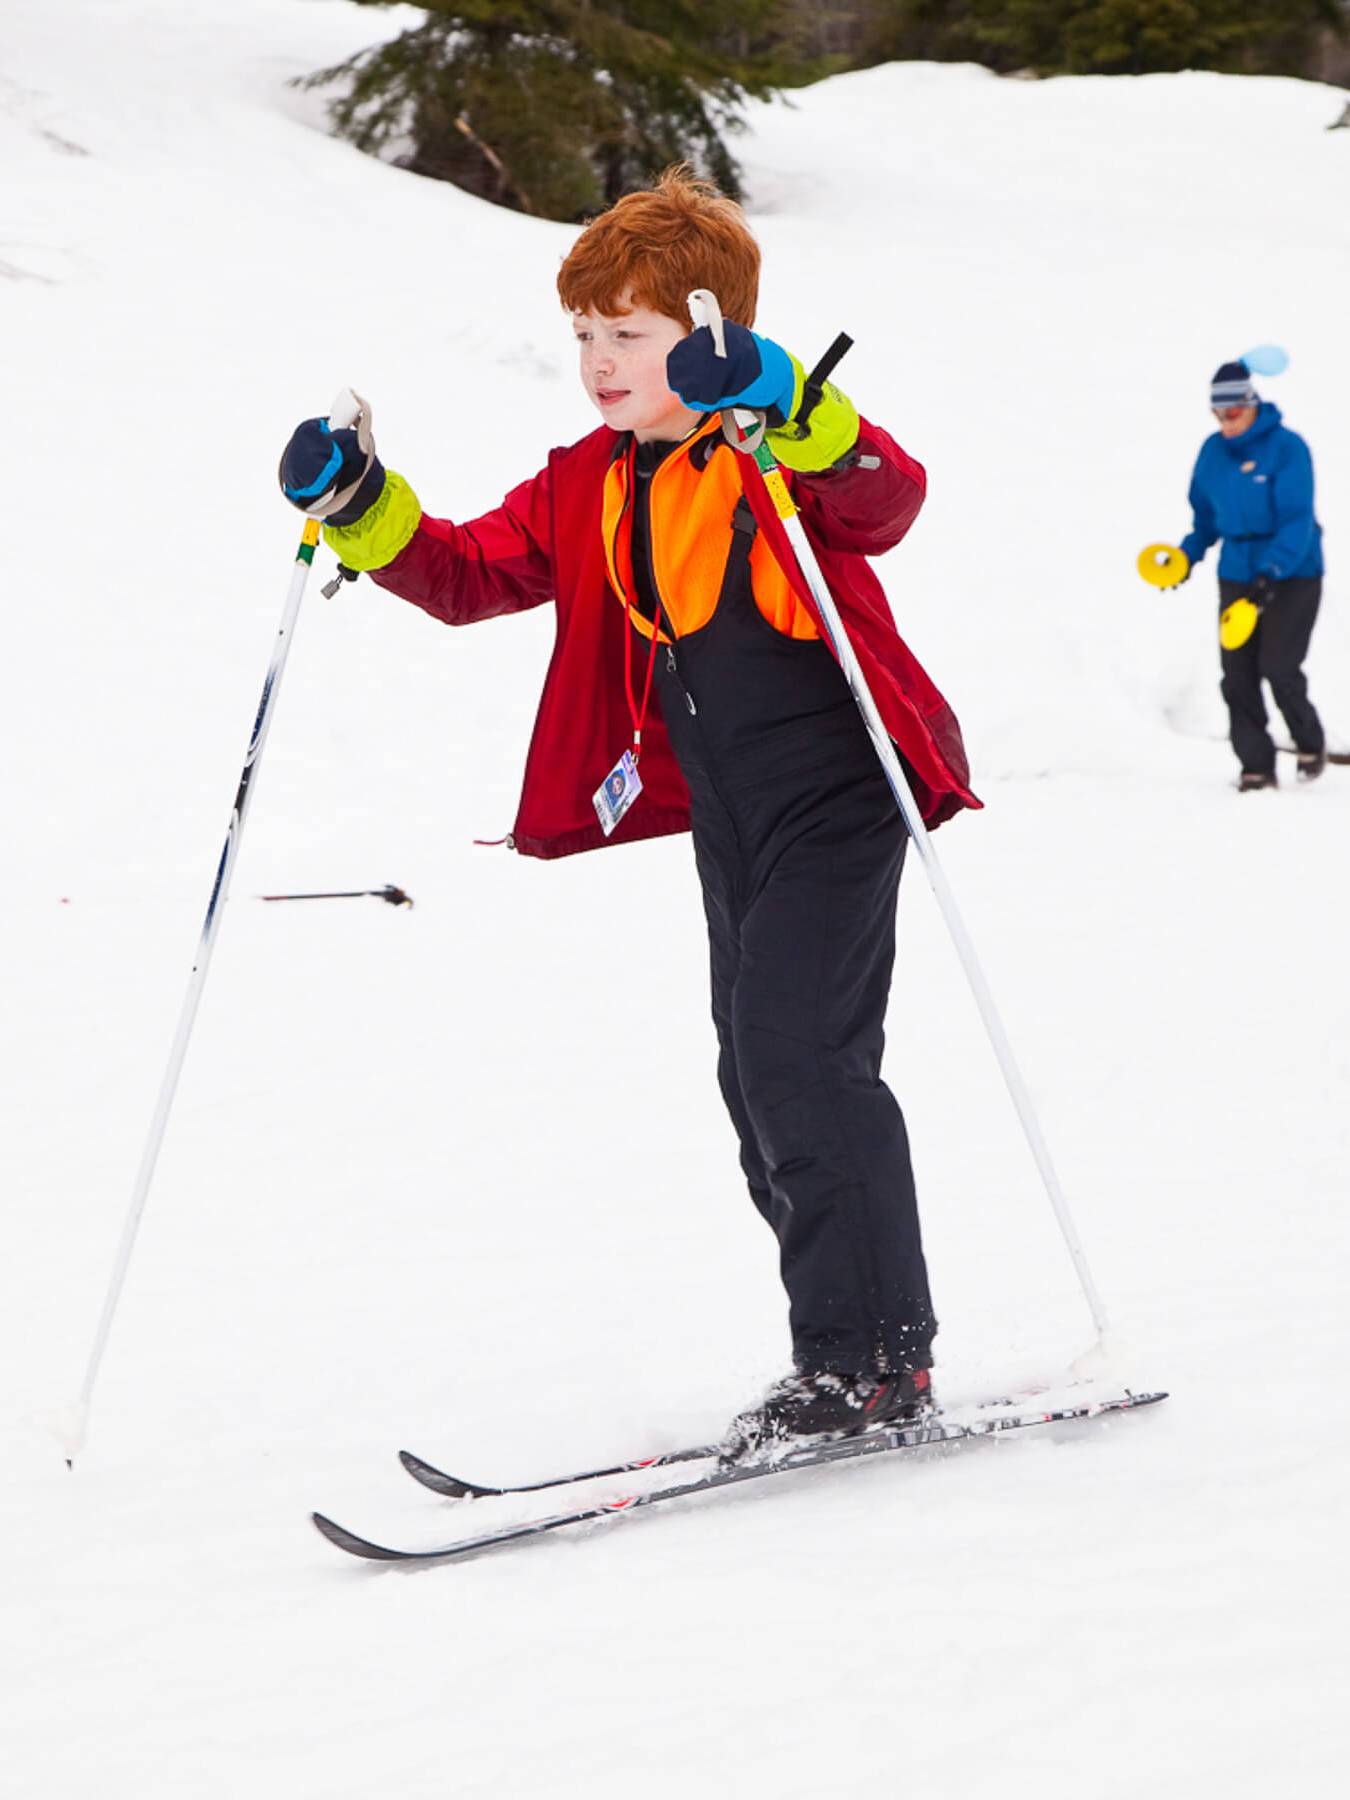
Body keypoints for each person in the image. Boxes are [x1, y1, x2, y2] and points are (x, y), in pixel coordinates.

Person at [279, 168, 979, 1460]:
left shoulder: (769, 455)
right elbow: (466, 571)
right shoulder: (590, 481)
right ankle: (842, 1347)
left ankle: (875, 1365)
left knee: (799, 1058)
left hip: (834, 789)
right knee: (750, 1076)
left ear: (707, 336)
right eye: (586, 336)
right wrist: (361, 503)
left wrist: (781, 396)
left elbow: (885, 498)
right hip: (728, 809)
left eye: (632, 337)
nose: (601, 364)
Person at [1178, 359, 1326, 791]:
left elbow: (1298, 520)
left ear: (1251, 403)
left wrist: (1272, 573)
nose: (1225, 423)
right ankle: (1255, 766)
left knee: (1279, 666)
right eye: (1218, 415)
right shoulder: (1212, 453)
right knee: (1237, 672)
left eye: (1233, 414)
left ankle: (1309, 740)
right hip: (1238, 575)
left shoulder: (1287, 448)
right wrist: (1186, 557)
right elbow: (1205, 520)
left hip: (1293, 572)